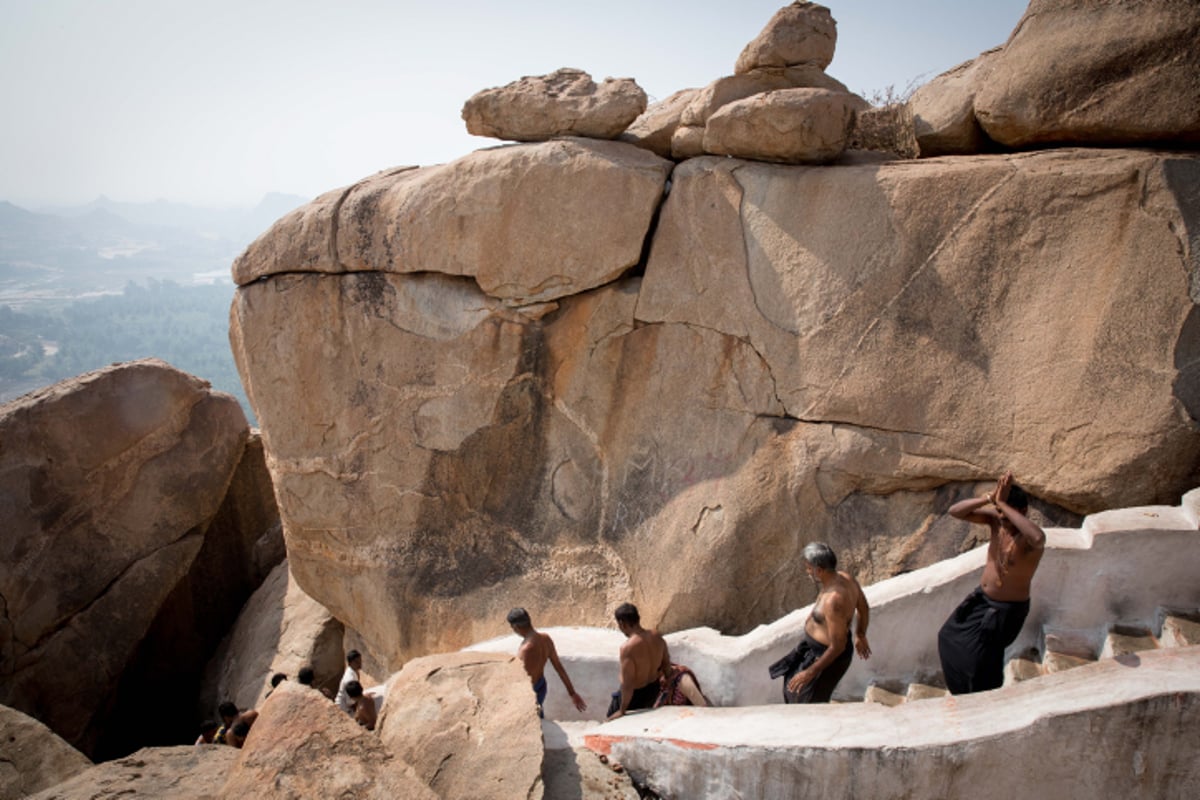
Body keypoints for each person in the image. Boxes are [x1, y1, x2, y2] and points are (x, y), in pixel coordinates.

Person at [938, 472, 1045, 694]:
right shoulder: (996, 522)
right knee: (948, 636)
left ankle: (988, 699)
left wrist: (1004, 506)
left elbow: (1039, 538)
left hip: (1005, 611)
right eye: (1000, 514)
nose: (1002, 520)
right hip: (981, 600)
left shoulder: (1027, 541)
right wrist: (991, 499)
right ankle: (962, 693)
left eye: (1006, 515)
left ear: (1021, 512)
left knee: (980, 659)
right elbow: (955, 511)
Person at [770, 542, 871, 704]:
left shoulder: (834, 601)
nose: (807, 571)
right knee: (793, 690)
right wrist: (860, 634)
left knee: (806, 702)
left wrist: (810, 672)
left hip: (825, 657)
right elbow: (864, 608)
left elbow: (838, 646)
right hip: (813, 650)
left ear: (819, 570)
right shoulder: (845, 578)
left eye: (809, 568)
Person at [506, 607, 588, 718]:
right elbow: (559, 667)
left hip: (530, 691)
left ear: (515, 626)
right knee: (539, 716)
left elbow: (521, 679)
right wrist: (572, 693)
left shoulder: (525, 649)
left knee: (532, 720)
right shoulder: (546, 639)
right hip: (541, 686)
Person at [606, 603, 670, 720]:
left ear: (621, 623)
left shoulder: (627, 648)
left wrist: (622, 710)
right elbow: (666, 666)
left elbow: (628, 684)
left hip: (634, 696)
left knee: (609, 723)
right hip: (653, 691)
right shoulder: (657, 636)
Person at [335, 650, 363, 714]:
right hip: (344, 708)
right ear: (350, 663)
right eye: (356, 662)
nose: (359, 663)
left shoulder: (353, 671)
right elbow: (350, 701)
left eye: (360, 661)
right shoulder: (350, 679)